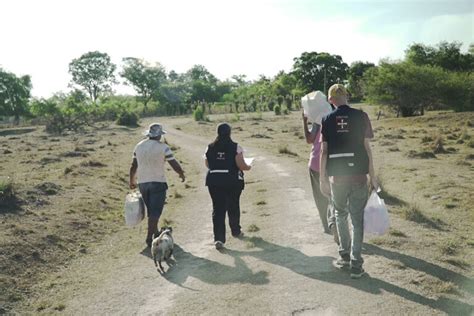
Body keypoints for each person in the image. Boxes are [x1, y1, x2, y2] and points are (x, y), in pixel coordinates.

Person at [320, 84, 378, 279]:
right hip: (359, 175)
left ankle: (344, 256)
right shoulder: (361, 116)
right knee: (357, 218)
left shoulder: (326, 119)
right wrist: (373, 176)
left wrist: (322, 179)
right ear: (347, 96)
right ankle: (356, 263)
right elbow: (367, 149)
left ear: (330, 100)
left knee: (340, 213)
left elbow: (324, 152)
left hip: (337, 176)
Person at [129, 123, 185, 248]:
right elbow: (173, 163)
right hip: (158, 182)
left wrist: (132, 180)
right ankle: (150, 238)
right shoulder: (163, 147)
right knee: (155, 212)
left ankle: (155, 232)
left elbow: (133, 166)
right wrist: (181, 174)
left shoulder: (138, 146)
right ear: (159, 135)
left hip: (143, 183)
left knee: (151, 211)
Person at [204, 123, 251, 250]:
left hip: (214, 181)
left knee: (218, 209)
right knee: (233, 205)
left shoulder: (209, 147)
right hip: (232, 181)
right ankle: (235, 230)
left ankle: (219, 239)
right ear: (230, 133)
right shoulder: (236, 147)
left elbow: (208, 164)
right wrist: (248, 167)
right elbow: (241, 165)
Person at [302, 111, 338, 245]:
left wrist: (304, 122)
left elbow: (309, 139)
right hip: (335, 163)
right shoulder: (336, 119)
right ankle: (335, 222)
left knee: (320, 196)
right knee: (335, 196)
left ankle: (326, 225)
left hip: (317, 163)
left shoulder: (318, 121)